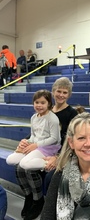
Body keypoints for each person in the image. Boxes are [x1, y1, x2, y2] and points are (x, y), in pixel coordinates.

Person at [6, 89, 61, 220]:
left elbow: (54, 138)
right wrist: (25, 143)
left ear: (49, 103)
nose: (39, 105)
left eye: (43, 102)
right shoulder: (34, 117)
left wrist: (36, 145)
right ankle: (29, 196)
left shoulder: (52, 118)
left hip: (49, 148)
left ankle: (46, 164)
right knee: (11, 159)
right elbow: (33, 135)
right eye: (36, 102)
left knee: (24, 164)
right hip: (36, 146)